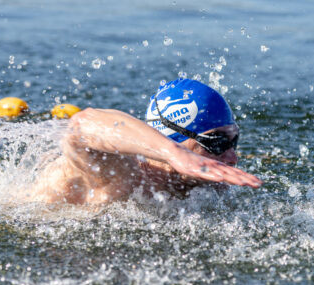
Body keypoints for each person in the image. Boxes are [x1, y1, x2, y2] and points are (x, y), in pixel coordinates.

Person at [29, 78, 262, 205]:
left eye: (234, 141)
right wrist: (174, 154)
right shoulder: (120, 172)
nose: (232, 158)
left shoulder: (211, 183)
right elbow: (80, 124)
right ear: (175, 140)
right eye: (217, 142)